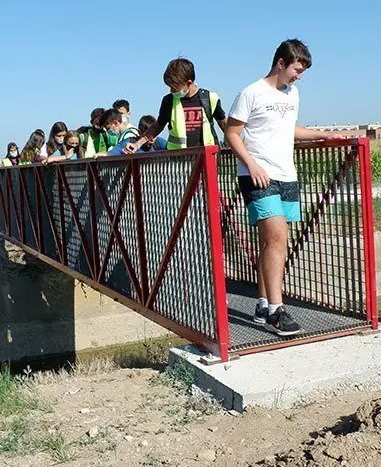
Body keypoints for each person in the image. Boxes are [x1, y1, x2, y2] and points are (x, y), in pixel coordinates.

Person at [224, 39, 330, 337]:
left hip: (287, 176)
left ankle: (261, 303)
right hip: (257, 175)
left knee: (271, 243)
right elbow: (232, 133)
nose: (300, 76)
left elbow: (289, 129)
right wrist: (252, 165)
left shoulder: (292, 94)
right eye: (298, 69)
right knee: (277, 239)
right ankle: (275, 311)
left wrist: (324, 134)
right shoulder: (251, 93)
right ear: (281, 63)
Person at [125, 57, 227, 154]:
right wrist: (138, 144)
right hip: (179, 160)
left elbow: (224, 125)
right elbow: (157, 126)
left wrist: (238, 143)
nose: (171, 91)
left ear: (189, 83)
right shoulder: (168, 101)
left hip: (207, 157)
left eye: (174, 88)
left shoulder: (210, 98)